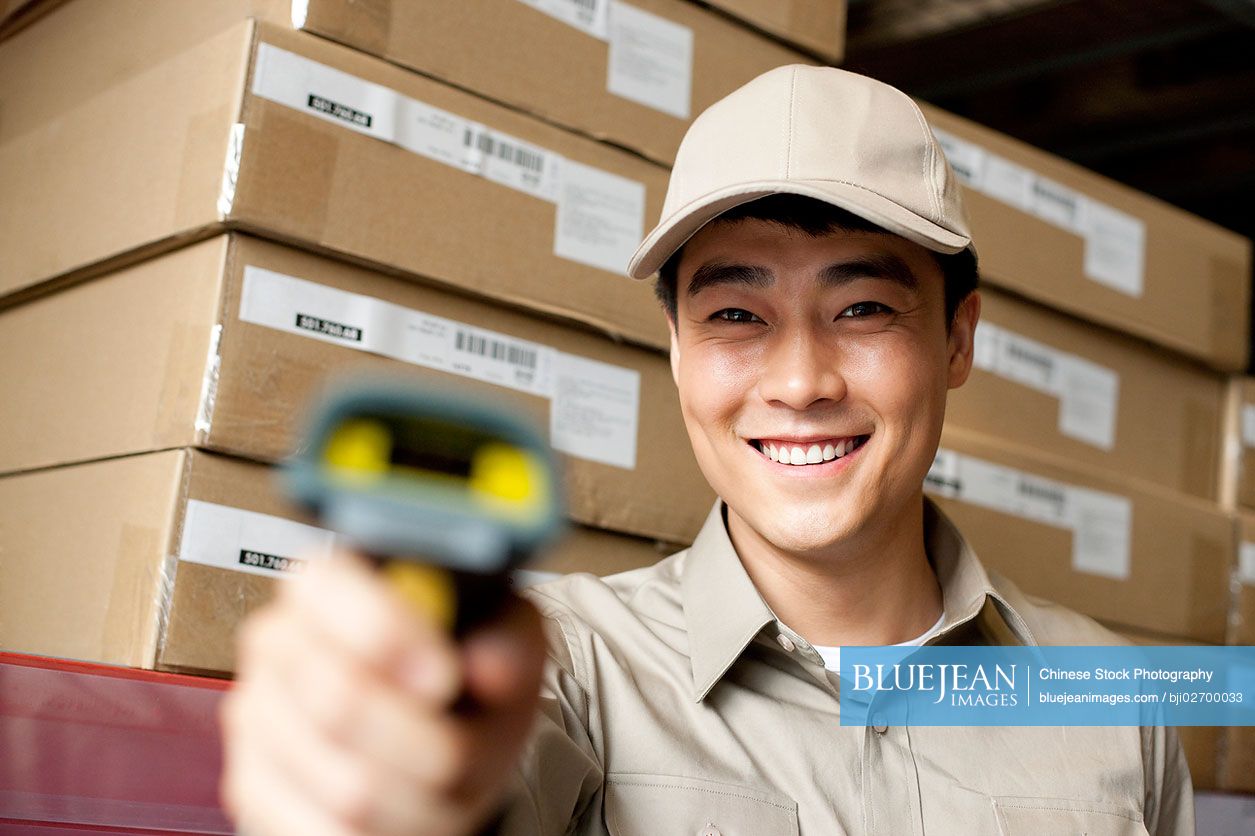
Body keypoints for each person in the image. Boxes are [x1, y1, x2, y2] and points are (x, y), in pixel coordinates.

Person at [219, 65, 1194, 835]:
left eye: (861, 307)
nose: (801, 380)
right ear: (679, 353)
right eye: (736, 313)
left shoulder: (1114, 704)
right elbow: (442, 769)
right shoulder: (565, 666)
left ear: (956, 340)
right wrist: (383, 768)